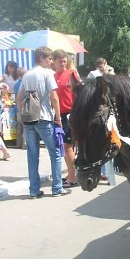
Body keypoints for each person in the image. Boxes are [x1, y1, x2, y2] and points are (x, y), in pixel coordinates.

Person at [17, 46, 70, 198]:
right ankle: (57, 188)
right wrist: (58, 118)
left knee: (32, 156)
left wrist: (23, 113)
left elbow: (19, 98)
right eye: (49, 58)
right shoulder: (47, 73)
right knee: (54, 153)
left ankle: (34, 191)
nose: (51, 61)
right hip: (45, 118)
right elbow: (54, 97)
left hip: (29, 120)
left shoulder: (27, 75)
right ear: (41, 58)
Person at [53, 49, 81, 188]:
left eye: (65, 61)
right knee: (63, 146)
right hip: (59, 115)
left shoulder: (71, 74)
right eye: (60, 61)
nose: (63, 64)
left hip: (71, 113)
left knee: (67, 146)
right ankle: (71, 173)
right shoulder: (53, 76)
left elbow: (80, 91)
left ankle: (73, 177)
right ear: (54, 61)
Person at [13, 67, 27, 149]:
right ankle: (24, 144)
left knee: (19, 127)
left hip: (17, 108)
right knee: (26, 126)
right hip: (25, 107)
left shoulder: (15, 83)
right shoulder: (24, 83)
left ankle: (18, 143)